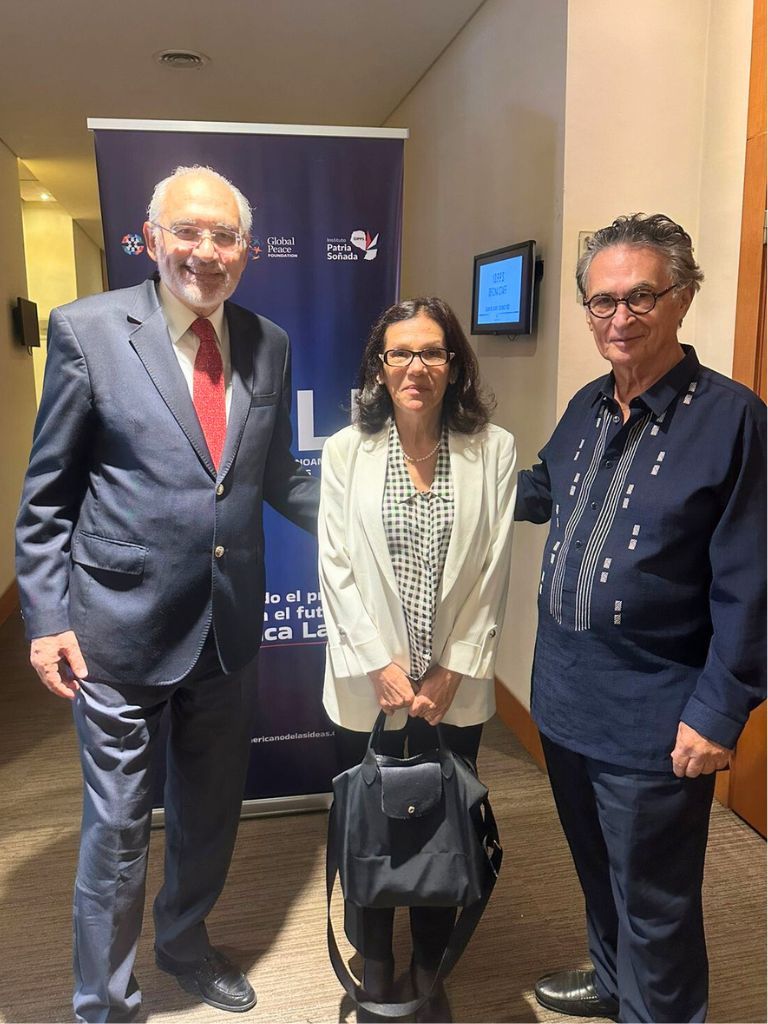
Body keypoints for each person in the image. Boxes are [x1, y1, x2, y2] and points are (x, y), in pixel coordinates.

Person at [15, 165, 319, 1022]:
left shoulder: (268, 341)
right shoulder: (87, 331)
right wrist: (45, 619)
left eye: (224, 236)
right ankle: (102, 1002)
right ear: (151, 240)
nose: (206, 252)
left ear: (247, 251)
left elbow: (276, 477)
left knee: (210, 813)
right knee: (116, 831)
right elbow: (47, 497)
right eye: (188, 232)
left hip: (225, 630)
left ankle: (185, 943)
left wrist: (372, 511)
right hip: (116, 628)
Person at [515, 213, 766, 1023]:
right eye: (601, 303)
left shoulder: (733, 421)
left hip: (656, 718)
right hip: (562, 700)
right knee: (596, 874)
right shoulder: (590, 404)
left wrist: (719, 713)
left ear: (683, 297)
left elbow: (753, 585)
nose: (618, 319)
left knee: (656, 903)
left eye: (640, 298)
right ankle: (612, 979)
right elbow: (538, 494)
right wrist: (426, 469)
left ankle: (655, 1008)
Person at [318, 297, 516, 1023]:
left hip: (450, 690)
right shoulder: (347, 450)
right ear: (380, 366)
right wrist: (378, 666)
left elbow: (494, 568)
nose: (416, 367)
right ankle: (375, 966)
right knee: (367, 827)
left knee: (443, 826)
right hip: (367, 686)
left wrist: (450, 670)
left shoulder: (493, 449)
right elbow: (333, 567)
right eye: (400, 353)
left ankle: (430, 970)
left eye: (431, 352)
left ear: (454, 363)